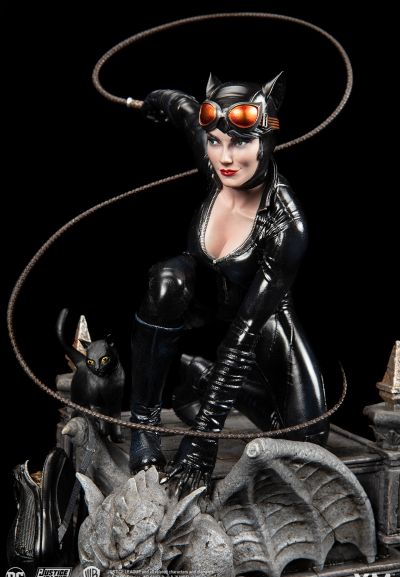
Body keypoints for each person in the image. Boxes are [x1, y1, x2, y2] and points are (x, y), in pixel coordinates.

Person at [129, 73, 328, 492]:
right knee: (167, 280)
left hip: (261, 325)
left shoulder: (286, 224)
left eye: (240, 143)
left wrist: (203, 440)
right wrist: (152, 101)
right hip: (207, 300)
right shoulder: (215, 165)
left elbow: (242, 338)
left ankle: (203, 377)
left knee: (306, 440)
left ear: (267, 140)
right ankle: (143, 425)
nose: (225, 158)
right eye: (215, 141)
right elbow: (183, 106)